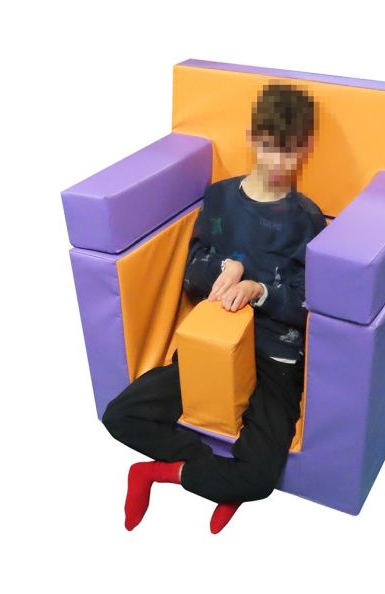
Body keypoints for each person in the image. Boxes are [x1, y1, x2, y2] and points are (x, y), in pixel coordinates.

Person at [102, 81, 327, 534]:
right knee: (120, 415)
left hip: (274, 358)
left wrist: (259, 289)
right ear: (252, 138)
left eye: (289, 152)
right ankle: (217, 476)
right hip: (211, 347)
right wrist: (226, 266)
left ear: (304, 150)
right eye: (270, 147)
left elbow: (309, 302)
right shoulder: (221, 199)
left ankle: (176, 475)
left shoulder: (307, 219)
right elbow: (191, 273)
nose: (278, 163)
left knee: (258, 479)